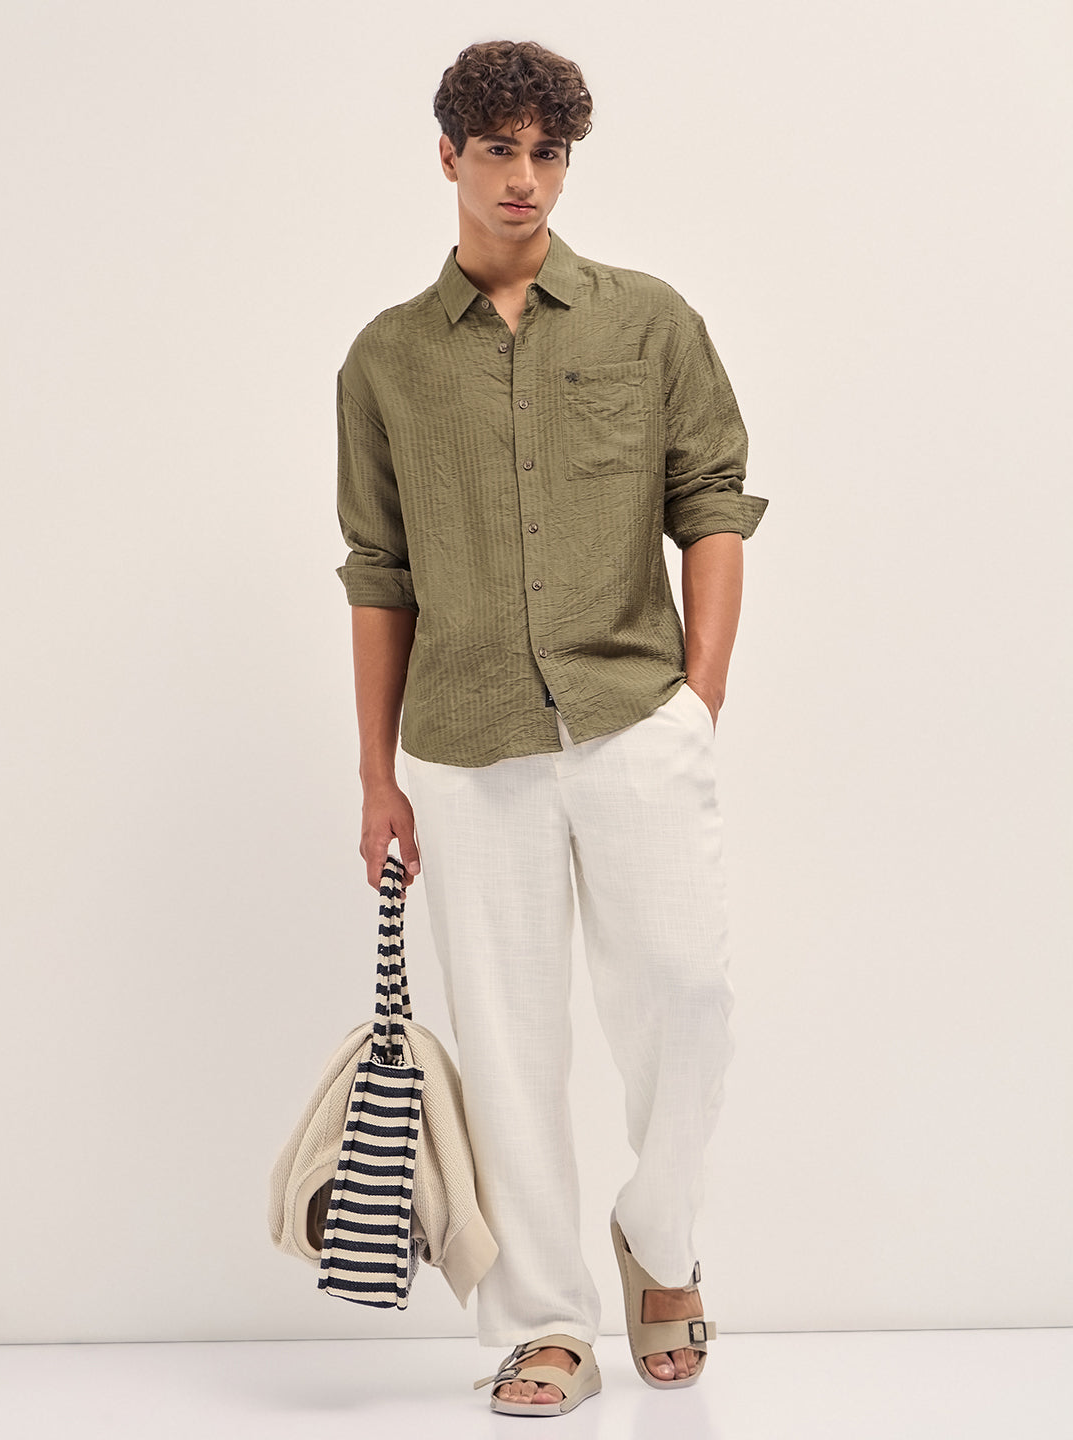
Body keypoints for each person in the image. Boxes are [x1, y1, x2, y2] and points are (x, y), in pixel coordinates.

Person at [336, 39, 767, 1416]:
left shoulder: (647, 321)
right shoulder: (387, 359)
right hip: (467, 746)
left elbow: (711, 500)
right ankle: (543, 1326)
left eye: (547, 153)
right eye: (498, 150)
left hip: (638, 717)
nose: (524, 178)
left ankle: (660, 1235)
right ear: (448, 155)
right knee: (511, 1045)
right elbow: (379, 571)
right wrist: (376, 779)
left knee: (687, 999)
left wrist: (700, 695)